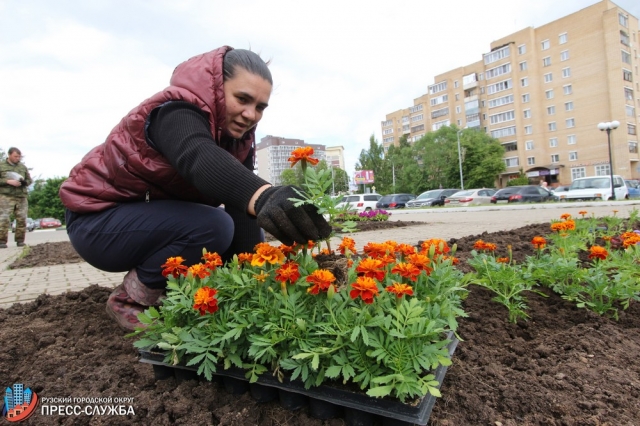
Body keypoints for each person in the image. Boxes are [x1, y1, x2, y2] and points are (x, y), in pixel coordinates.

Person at [59, 46, 331, 330]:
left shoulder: (238, 140)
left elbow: (241, 208)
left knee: (226, 234)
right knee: (213, 226)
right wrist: (266, 195)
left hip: (146, 221)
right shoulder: (175, 111)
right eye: (242, 99)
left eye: (260, 107)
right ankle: (131, 299)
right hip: (96, 222)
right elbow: (198, 156)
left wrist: (256, 281)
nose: (251, 114)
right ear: (215, 88)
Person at [0, 147, 32, 249]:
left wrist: (25, 182)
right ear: (9, 155)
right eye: (15, 156)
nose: (17, 158)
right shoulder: (1, 166)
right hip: (6, 196)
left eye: (19, 156)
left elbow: (29, 180)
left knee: (22, 219)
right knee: (4, 219)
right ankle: (2, 241)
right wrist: (7, 181)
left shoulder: (22, 167)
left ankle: (20, 241)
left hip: (21, 196)